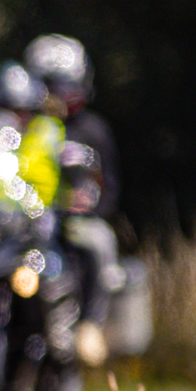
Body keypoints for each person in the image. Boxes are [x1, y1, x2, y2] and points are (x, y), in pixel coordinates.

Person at [25, 34, 121, 367]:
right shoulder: (25, 129)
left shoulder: (93, 130)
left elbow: (109, 187)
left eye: (62, 83)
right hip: (28, 222)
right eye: (47, 83)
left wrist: (91, 208)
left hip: (75, 222)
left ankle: (90, 326)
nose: (55, 92)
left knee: (100, 242)